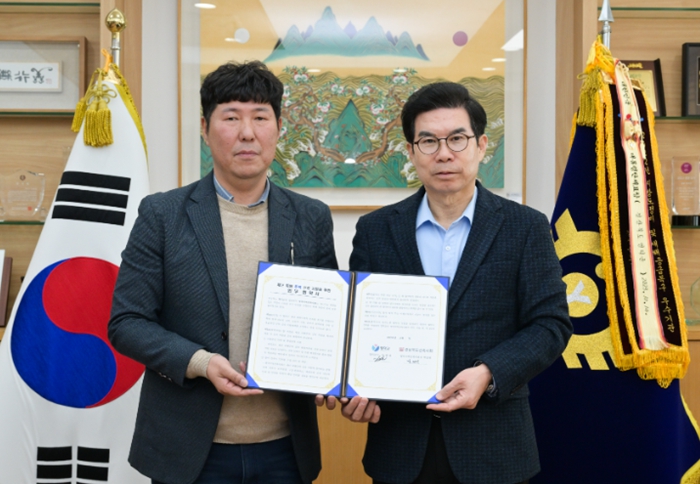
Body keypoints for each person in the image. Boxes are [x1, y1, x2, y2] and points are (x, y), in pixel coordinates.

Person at [318, 82, 572, 484]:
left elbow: (551, 324)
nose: (444, 153)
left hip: (493, 445)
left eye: (457, 138)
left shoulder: (525, 227)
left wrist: (488, 372)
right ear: (410, 151)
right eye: (428, 141)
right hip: (400, 446)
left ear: (481, 145)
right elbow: (360, 329)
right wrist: (353, 390)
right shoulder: (376, 230)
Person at [109, 61, 338, 484]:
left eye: (260, 118)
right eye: (231, 117)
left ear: (279, 127)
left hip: (286, 448)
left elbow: (330, 321)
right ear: (205, 127)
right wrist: (201, 362)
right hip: (189, 449)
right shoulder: (163, 214)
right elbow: (127, 322)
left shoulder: (311, 217)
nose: (247, 133)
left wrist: (336, 372)